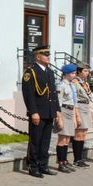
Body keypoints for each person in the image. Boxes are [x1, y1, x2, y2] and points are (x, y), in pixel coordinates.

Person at [21, 45, 61, 178]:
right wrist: (33, 112)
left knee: (46, 141)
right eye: (45, 55)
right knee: (35, 140)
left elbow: (53, 92)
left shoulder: (49, 71)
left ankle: (43, 165)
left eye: (48, 55)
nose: (48, 57)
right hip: (38, 112)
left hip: (49, 111)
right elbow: (28, 94)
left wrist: (57, 110)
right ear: (38, 57)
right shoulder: (30, 72)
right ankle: (33, 166)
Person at [56, 63, 80, 173]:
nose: (74, 75)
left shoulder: (72, 85)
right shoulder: (61, 86)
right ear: (66, 74)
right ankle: (60, 162)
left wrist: (75, 118)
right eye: (72, 73)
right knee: (62, 139)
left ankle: (65, 160)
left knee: (67, 139)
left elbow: (74, 102)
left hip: (70, 111)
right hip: (64, 111)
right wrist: (59, 118)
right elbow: (58, 103)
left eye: (75, 73)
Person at [73, 63, 92, 167]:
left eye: (88, 71)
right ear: (79, 72)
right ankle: (77, 159)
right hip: (79, 108)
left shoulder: (85, 83)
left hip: (86, 108)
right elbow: (74, 98)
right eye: (85, 71)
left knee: (83, 134)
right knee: (79, 134)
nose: (87, 73)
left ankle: (80, 158)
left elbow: (89, 96)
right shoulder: (75, 82)